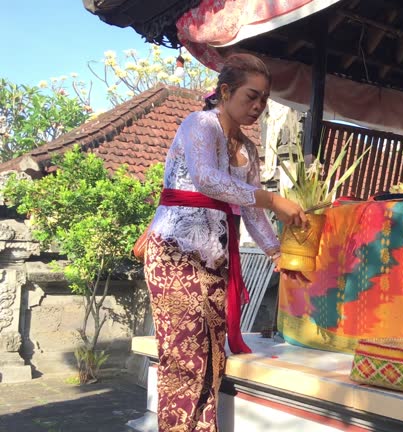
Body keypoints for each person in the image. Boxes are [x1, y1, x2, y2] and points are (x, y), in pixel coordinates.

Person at [143, 53, 306, 432]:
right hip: (175, 253)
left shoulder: (248, 150)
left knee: (214, 360)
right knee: (186, 359)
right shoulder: (200, 124)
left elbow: (249, 209)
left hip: (216, 259)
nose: (258, 107)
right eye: (251, 96)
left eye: (264, 100)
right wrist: (271, 198)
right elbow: (207, 180)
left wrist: (275, 252)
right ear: (225, 91)